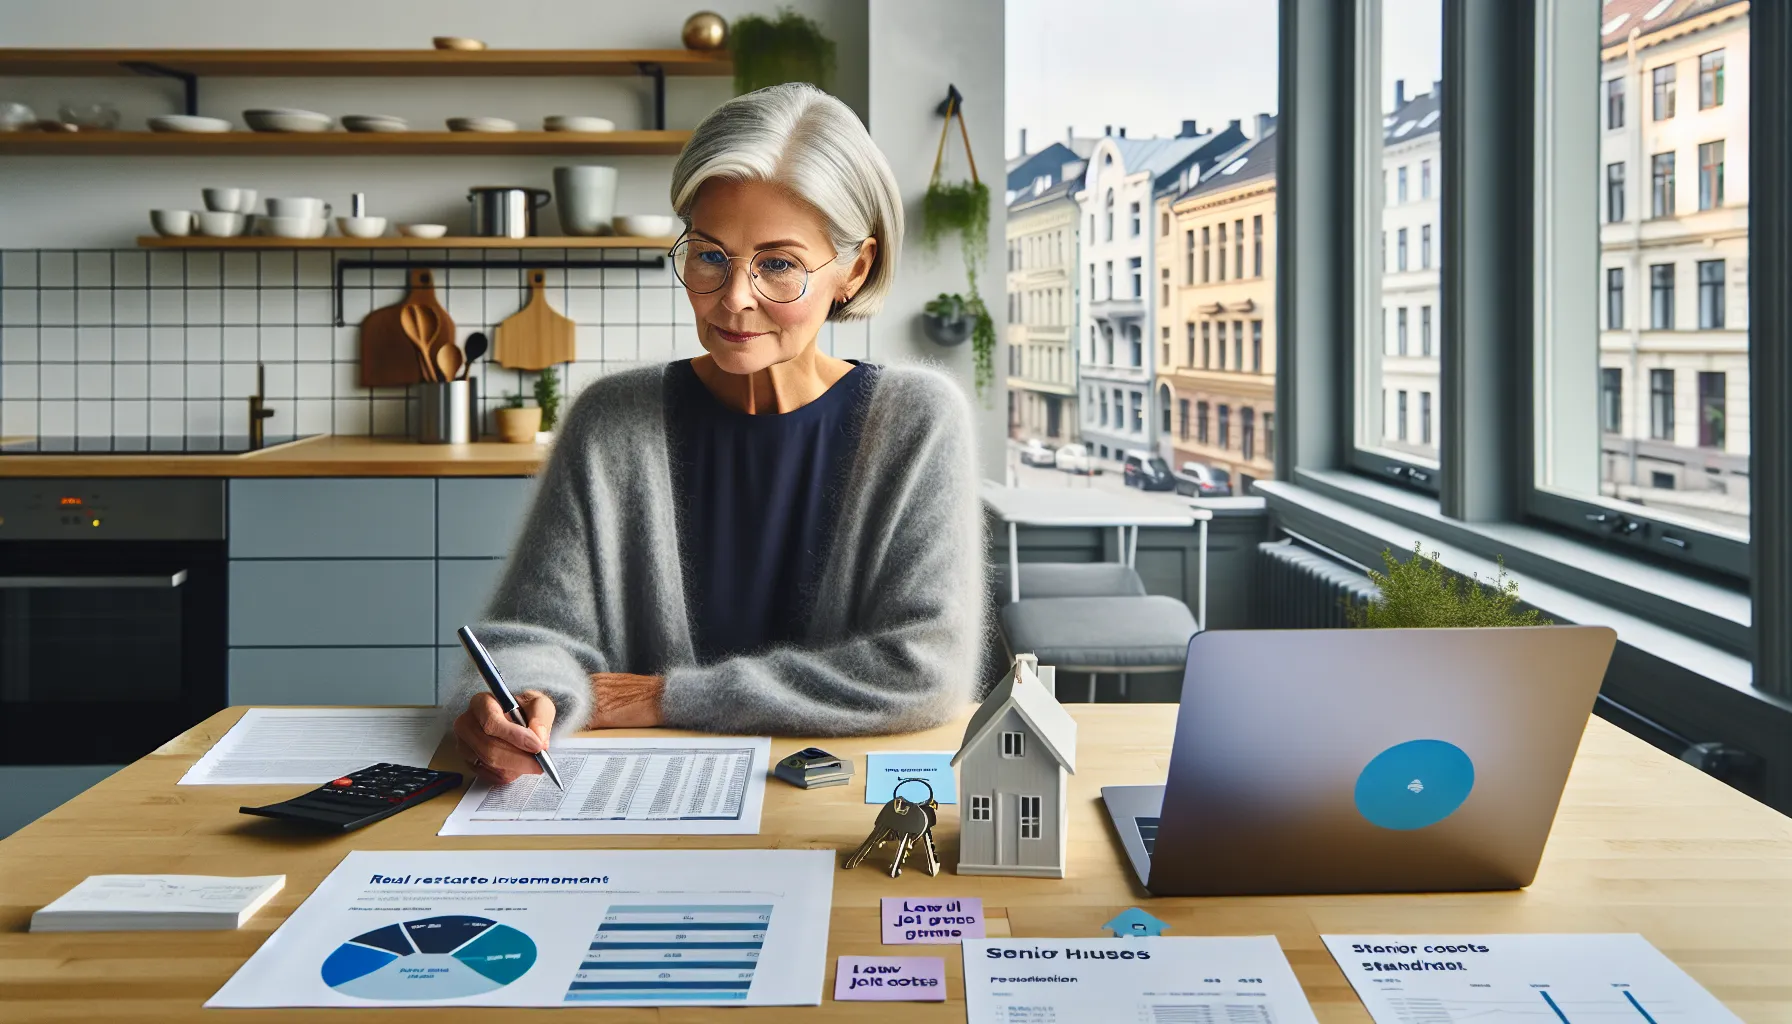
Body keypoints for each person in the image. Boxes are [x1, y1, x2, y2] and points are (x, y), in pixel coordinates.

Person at [446, 83, 985, 785]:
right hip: (632, 805)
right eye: (709, 255)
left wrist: (663, 697)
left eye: (779, 264)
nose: (733, 298)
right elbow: (533, 637)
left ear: (853, 270)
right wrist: (523, 696)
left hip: (833, 808)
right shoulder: (610, 421)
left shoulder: (918, 419)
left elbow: (924, 670)